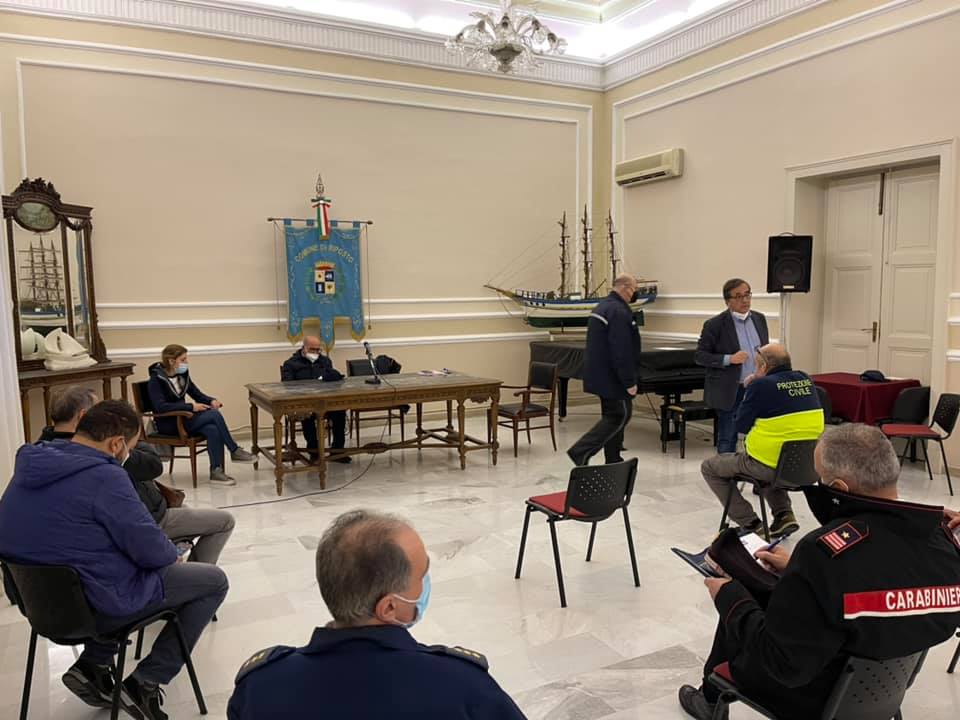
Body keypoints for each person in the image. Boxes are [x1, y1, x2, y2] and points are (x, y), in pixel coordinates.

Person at [679, 424, 960, 720]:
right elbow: (880, 578)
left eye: (821, 479)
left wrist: (730, 597)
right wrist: (799, 571)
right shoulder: (941, 541)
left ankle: (710, 697)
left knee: (742, 592)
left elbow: (784, 665)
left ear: (839, 488)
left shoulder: (822, 551)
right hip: (886, 689)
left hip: (816, 695)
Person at [0, 400, 228, 720]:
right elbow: (150, 550)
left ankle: (94, 665)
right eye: (130, 449)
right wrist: (170, 554)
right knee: (212, 581)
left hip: (38, 606)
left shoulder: (29, 465)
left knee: (110, 572)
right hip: (94, 609)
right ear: (117, 444)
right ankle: (145, 682)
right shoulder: (105, 476)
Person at [227, 510, 525, 719]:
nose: (426, 584)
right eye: (422, 575)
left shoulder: (260, 687)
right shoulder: (462, 686)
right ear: (389, 608)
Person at [700, 344, 822, 538]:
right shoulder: (805, 379)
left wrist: (751, 388)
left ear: (764, 366)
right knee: (770, 465)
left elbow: (740, 424)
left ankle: (750, 523)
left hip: (767, 464)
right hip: (806, 466)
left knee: (710, 467)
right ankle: (784, 515)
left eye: (756, 366)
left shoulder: (760, 386)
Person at [148, 343, 255, 485]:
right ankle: (234, 450)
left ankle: (216, 472)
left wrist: (211, 401)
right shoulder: (156, 379)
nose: (186, 362)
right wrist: (190, 407)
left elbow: (196, 394)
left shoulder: (182, 375)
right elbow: (161, 407)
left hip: (183, 418)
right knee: (214, 415)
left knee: (212, 429)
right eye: (183, 359)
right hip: (168, 424)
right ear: (171, 361)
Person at [567, 274, 642, 466]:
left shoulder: (604, 306)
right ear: (625, 288)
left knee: (618, 415)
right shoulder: (618, 311)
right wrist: (629, 381)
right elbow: (621, 349)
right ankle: (580, 452)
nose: (635, 293)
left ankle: (613, 457)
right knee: (617, 416)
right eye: (634, 289)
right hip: (612, 376)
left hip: (602, 374)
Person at [695, 279, 769, 454]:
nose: (745, 300)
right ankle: (724, 469)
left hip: (756, 386)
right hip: (731, 389)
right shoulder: (715, 324)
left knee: (757, 434)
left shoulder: (759, 319)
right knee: (728, 436)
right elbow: (700, 356)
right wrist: (729, 359)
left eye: (747, 295)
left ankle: (751, 467)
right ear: (728, 301)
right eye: (738, 296)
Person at [280, 336, 350, 463]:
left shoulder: (325, 361)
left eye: (318, 350)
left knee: (340, 411)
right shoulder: (291, 364)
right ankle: (314, 450)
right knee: (307, 415)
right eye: (312, 349)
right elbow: (287, 385)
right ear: (304, 348)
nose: (316, 353)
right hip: (303, 403)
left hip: (325, 401)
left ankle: (338, 450)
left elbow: (333, 378)